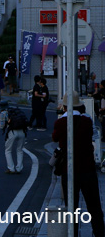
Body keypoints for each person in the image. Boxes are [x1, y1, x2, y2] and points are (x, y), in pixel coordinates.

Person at [52, 92, 105, 237]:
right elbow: (94, 135)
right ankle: (99, 232)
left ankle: (73, 233)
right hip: (87, 168)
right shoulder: (87, 121)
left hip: (68, 170)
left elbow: (55, 137)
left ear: (64, 107)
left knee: (72, 207)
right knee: (94, 205)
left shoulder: (60, 122)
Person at [0, 101, 27, 174]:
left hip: (12, 132)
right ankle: (19, 168)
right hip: (22, 131)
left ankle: (11, 168)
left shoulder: (3, 113)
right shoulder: (15, 111)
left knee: (8, 150)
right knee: (19, 150)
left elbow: (1, 126)